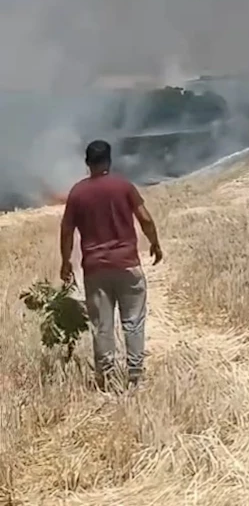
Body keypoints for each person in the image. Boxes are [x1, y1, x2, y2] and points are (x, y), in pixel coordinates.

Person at [60, 140, 162, 389]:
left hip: (95, 270)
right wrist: (155, 244)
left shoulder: (77, 193)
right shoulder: (123, 186)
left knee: (102, 325)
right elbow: (146, 219)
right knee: (133, 322)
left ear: (87, 163)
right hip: (127, 265)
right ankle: (135, 376)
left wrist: (65, 263)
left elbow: (66, 231)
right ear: (109, 160)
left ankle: (105, 379)